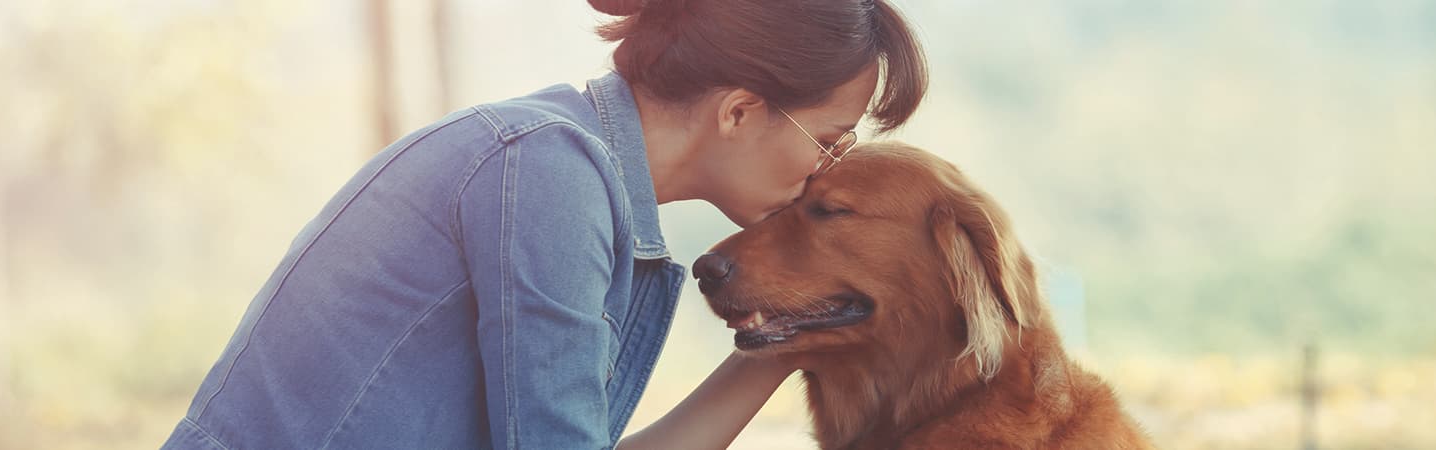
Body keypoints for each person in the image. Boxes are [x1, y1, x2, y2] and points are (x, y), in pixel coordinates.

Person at [160, 0, 926, 448]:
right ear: (737, 111)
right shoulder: (549, 171)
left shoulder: (578, 178)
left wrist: (777, 349)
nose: (824, 172)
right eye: (830, 140)